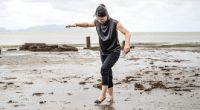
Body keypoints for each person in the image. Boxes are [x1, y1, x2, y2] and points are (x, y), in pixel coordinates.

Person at [65, 4, 131, 104]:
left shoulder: (115, 23)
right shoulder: (97, 22)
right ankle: (111, 96)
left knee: (104, 69)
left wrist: (126, 44)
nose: (100, 21)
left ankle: (103, 95)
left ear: (107, 15)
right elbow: (87, 24)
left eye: (102, 19)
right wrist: (75, 24)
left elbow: (127, 33)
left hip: (114, 51)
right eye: (98, 19)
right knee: (108, 73)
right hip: (103, 52)